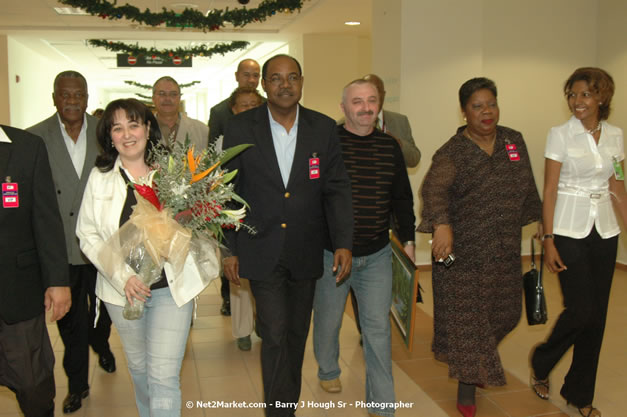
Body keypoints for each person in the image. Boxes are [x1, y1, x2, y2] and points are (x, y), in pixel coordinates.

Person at [222, 54, 353, 417]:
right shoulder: (241, 128)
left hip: (305, 249)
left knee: (296, 334)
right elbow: (225, 192)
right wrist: (228, 248)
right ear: (264, 84)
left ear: (301, 82)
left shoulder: (323, 128)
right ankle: (279, 412)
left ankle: (286, 405)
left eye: (292, 77)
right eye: (276, 78)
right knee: (275, 332)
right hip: (259, 246)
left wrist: (343, 242)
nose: (285, 85)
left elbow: (337, 189)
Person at [76, 99, 210, 417]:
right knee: (140, 372)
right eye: (117, 128)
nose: (127, 134)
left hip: (170, 290)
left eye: (134, 125)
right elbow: (88, 235)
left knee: (163, 377)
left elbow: (195, 225)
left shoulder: (173, 174)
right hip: (122, 294)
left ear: (148, 129)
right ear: (109, 137)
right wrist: (125, 278)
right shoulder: (100, 178)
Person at [417, 77, 541, 417]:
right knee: (468, 323)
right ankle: (468, 387)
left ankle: (478, 361)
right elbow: (433, 191)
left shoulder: (513, 141)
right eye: (477, 106)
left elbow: (527, 183)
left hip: (503, 249)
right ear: (463, 112)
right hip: (463, 256)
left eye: (491, 104)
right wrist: (441, 224)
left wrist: (542, 223)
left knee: (506, 313)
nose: (486, 112)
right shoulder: (452, 152)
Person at [313, 79, 415, 417]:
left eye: (371, 101)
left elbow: (402, 197)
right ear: (343, 107)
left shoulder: (390, 147)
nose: (366, 108)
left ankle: (383, 405)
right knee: (327, 321)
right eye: (357, 101)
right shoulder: (329, 146)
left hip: (377, 255)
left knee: (377, 329)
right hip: (331, 255)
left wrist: (410, 240)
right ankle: (328, 369)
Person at [530, 68, 627, 417]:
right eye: (572, 94)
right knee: (581, 309)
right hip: (568, 229)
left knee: (597, 318)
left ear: (602, 97)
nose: (576, 101)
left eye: (585, 94)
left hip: (604, 229)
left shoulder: (616, 135)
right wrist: (549, 238)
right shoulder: (560, 134)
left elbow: (618, 186)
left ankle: (579, 393)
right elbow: (551, 189)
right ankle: (542, 361)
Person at [27, 70, 116, 415]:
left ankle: (102, 343)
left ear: (87, 98)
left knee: (107, 310)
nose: (72, 101)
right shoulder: (35, 137)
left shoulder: (104, 134)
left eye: (78, 95)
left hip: (103, 244)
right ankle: (77, 384)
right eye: (65, 95)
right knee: (71, 322)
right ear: (54, 98)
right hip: (61, 248)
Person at [0, 124, 71, 417]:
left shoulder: (27, 147)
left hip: (16, 291)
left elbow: (46, 218)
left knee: (32, 382)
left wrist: (57, 280)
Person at [209, 58, 262, 317]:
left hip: (261, 205)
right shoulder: (219, 113)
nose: (251, 79)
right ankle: (229, 300)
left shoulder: (270, 111)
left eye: (256, 75)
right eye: (247, 74)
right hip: (230, 194)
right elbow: (213, 153)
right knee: (233, 251)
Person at [223, 86, 264, 351]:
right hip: (233, 218)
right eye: (244, 105)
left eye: (254, 105)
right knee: (239, 278)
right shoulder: (224, 140)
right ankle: (242, 331)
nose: (249, 110)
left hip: (262, 222)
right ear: (233, 110)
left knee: (263, 277)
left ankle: (263, 321)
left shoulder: (270, 137)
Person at [152, 76, 208, 151]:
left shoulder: (202, 130)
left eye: (173, 94)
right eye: (162, 94)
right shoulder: (144, 130)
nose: (167, 98)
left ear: (179, 98)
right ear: (153, 98)